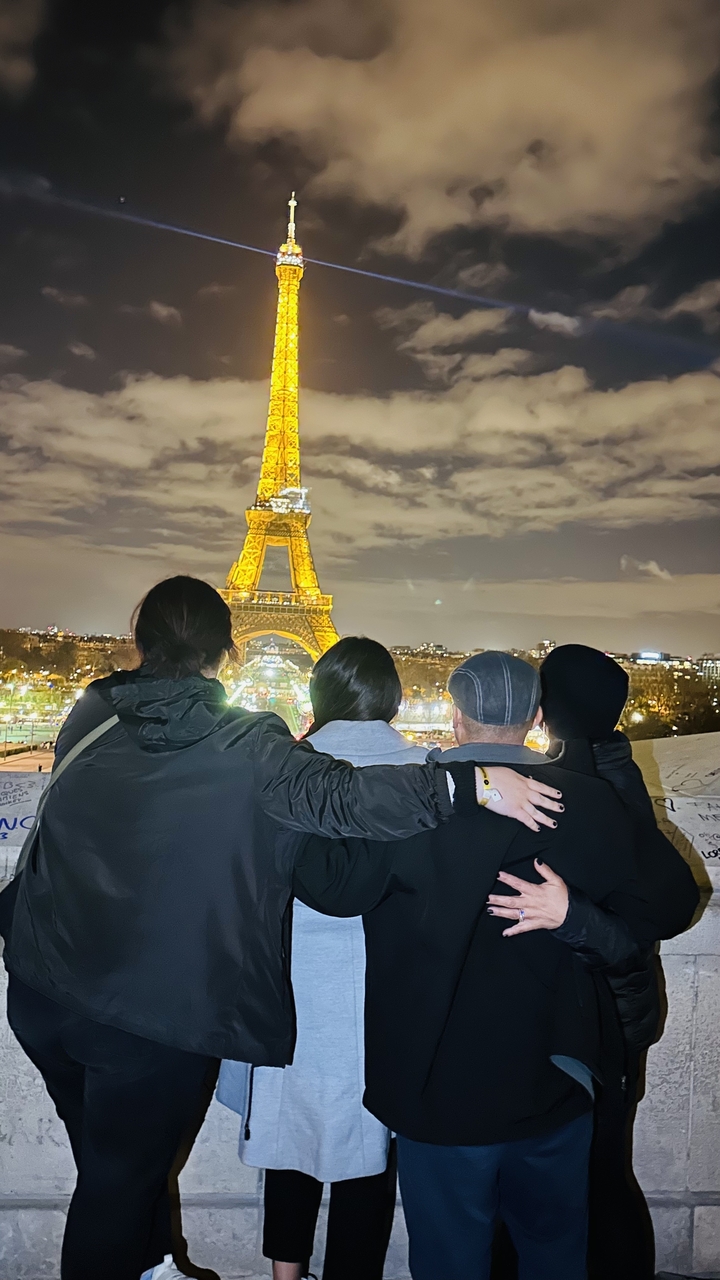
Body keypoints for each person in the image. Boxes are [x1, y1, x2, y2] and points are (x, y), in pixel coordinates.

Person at [1, 579, 560, 1280]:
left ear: (140, 641)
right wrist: (467, 784)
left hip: (45, 985)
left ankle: (152, 1264)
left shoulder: (92, 711)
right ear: (227, 651)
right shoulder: (242, 740)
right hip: (147, 1007)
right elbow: (340, 796)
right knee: (118, 1181)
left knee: (111, 1163)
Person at [292, 651, 661, 1280]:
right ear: (536, 718)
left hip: (436, 1081)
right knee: (554, 1253)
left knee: (450, 1259)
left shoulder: (411, 804)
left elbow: (329, 886)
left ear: (456, 718)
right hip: (556, 1075)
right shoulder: (592, 802)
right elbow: (650, 915)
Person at [220, 637, 427, 1280]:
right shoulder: (425, 775)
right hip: (387, 992)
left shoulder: (283, 773)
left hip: (289, 986)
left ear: (318, 697)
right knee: (370, 1143)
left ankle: (285, 1276)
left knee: (292, 1136)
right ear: (393, 699)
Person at [539, 644, 700, 1280]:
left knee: (561, 1178)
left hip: (582, 1018)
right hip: (622, 1012)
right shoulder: (620, 774)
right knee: (605, 1170)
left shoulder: (573, 786)